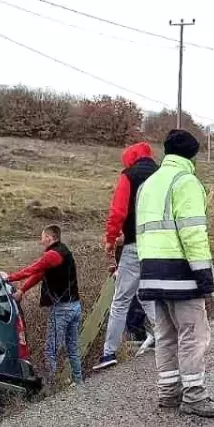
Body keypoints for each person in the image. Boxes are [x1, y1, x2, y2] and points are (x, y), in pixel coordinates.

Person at [135, 130, 214, 418]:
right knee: (193, 334)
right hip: (180, 272)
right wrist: (204, 275)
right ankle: (194, 395)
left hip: (151, 271)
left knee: (165, 335)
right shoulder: (186, 182)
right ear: (193, 155)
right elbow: (193, 233)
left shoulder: (148, 185)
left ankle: (168, 392)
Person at [93, 142, 161, 371]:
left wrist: (110, 239)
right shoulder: (162, 174)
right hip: (159, 246)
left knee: (121, 301)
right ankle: (165, 338)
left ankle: (108, 353)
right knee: (148, 296)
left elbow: (118, 211)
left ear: (130, 158)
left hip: (134, 245)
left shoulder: (129, 175)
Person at [6, 225, 84, 387]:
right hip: (75, 306)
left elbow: (33, 269)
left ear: (49, 237)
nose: (41, 241)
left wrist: (9, 278)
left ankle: (51, 387)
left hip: (62, 309)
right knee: (72, 347)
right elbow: (40, 275)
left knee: (51, 349)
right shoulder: (64, 252)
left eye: (42, 237)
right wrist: (22, 290)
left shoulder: (52, 255)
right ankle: (79, 381)